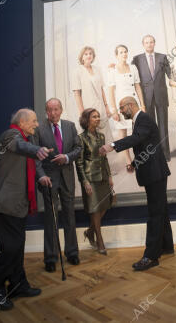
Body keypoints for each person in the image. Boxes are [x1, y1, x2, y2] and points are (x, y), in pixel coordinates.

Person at [0, 109, 52, 311]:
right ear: (21, 122)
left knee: (17, 247)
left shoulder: (25, 138)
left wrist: (40, 176)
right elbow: (21, 147)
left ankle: (17, 285)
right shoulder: (10, 135)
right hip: (5, 204)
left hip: (18, 205)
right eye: (33, 121)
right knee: (11, 249)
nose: (37, 124)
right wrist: (36, 150)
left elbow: (32, 159)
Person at [99, 97, 174, 271]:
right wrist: (134, 163)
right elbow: (146, 145)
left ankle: (151, 257)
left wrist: (112, 145)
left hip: (155, 173)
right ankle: (166, 246)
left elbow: (136, 138)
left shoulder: (143, 119)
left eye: (121, 108)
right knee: (160, 209)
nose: (120, 111)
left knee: (155, 213)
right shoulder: (139, 120)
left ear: (130, 106)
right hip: (154, 172)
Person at [34, 98, 81, 272]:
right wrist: (41, 176)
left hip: (67, 178)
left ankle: (72, 253)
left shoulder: (70, 126)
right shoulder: (39, 129)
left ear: (61, 110)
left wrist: (67, 157)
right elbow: (35, 157)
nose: (53, 113)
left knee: (70, 216)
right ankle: (51, 257)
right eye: (49, 110)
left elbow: (78, 148)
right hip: (49, 180)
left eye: (56, 109)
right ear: (46, 112)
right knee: (51, 218)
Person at [76, 108, 114, 255]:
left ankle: (90, 232)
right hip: (90, 177)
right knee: (95, 209)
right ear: (87, 120)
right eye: (94, 117)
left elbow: (104, 158)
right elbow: (79, 162)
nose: (98, 119)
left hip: (103, 176)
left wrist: (110, 176)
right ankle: (99, 240)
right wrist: (84, 182)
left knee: (104, 205)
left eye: (98, 116)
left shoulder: (102, 136)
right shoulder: (81, 138)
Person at [132, 35, 171, 161]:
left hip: (161, 96)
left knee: (163, 125)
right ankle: (153, 154)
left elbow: (171, 74)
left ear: (154, 43)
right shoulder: (137, 59)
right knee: (149, 127)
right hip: (146, 98)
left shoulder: (162, 57)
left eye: (151, 42)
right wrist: (113, 69)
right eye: (146, 42)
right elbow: (129, 74)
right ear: (143, 44)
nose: (149, 44)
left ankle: (165, 154)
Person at [108, 44, 146, 171]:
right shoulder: (112, 71)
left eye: (125, 51)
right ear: (116, 55)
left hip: (134, 104)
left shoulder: (133, 68)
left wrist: (142, 105)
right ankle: (128, 161)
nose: (124, 54)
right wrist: (114, 110)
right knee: (123, 133)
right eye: (121, 52)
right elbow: (111, 92)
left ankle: (139, 157)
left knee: (137, 132)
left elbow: (138, 87)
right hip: (121, 106)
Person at [72, 46, 112, 142]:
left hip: (100, 106)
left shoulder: (97, 69)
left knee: (103, 136)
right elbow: (77, 94)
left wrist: (106, 106)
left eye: (90, 54)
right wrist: (82, 112)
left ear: (93, 56)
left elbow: (102, 89)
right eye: (86, 54)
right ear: (82, 57)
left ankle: (103, 155)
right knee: (91, 137)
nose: (88, 55)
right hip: (87, 107)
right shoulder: (77, 71)